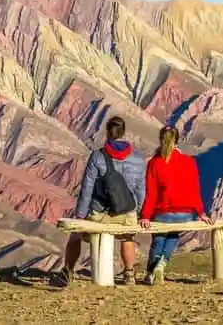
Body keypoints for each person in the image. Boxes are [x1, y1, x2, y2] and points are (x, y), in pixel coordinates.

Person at [55, 115, 146, 286]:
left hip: (101, 213)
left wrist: (80, 216)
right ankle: (129, 273)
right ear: (124, 132)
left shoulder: (97, 157)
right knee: (128, 238)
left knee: (75, 236)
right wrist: (139, 212)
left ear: (107, 132)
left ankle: (67, 271)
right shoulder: (139, 159)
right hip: (127, 214)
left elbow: (87, 189)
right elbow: (141, 189)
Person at [139, 125, 211, 285]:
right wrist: (201, 213)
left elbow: (151, 194)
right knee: (173, 235)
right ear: (178, 140)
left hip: (163, 212)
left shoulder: (154, 163)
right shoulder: (189, 162)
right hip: (185, 213)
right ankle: (162, 264)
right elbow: (194, 190)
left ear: (160, 139)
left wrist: (145, 216)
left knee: (159, 239)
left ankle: (150, 273)